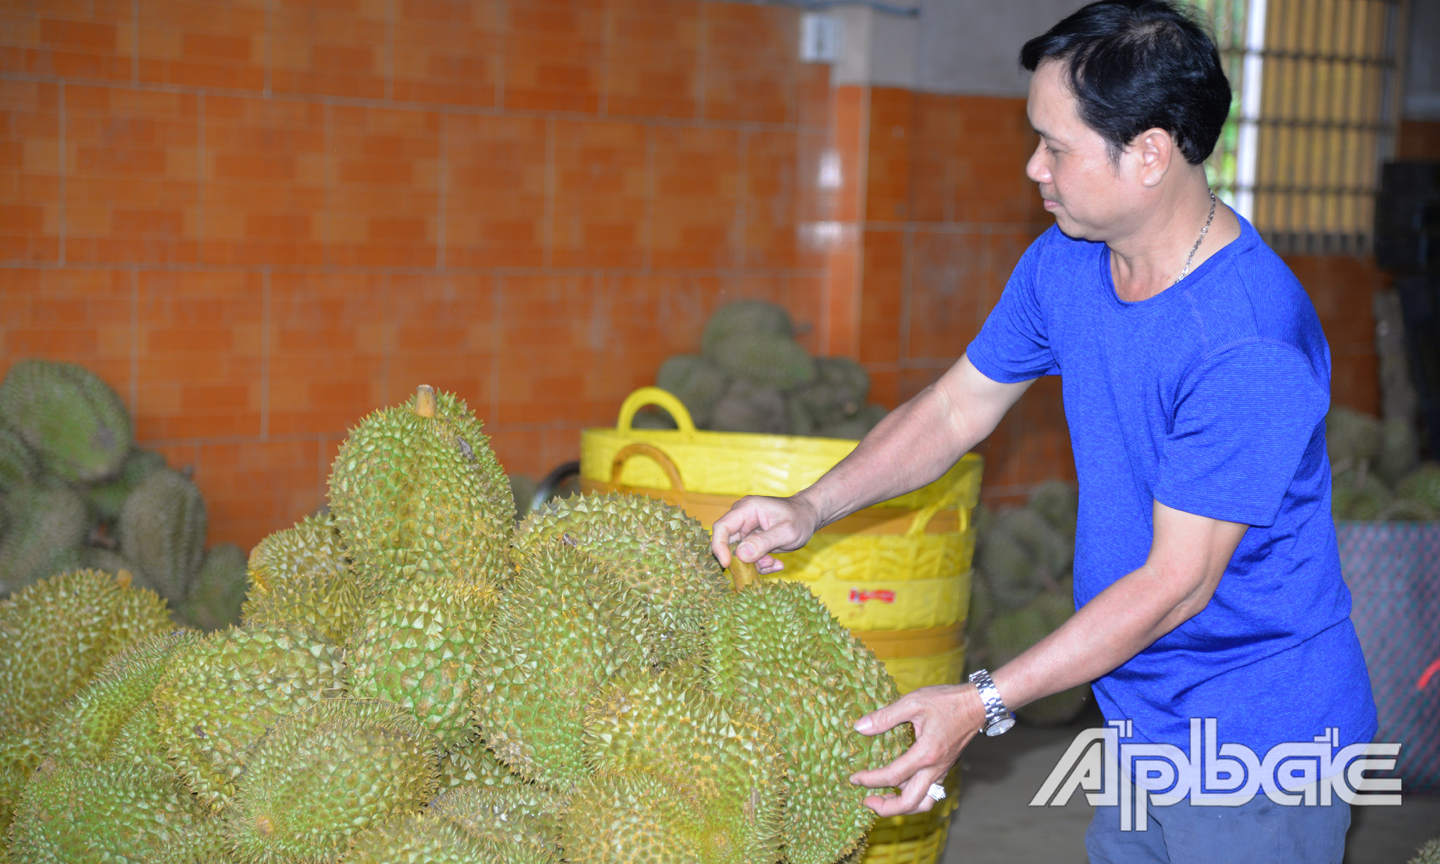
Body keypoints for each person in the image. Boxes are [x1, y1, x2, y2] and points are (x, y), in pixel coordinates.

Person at [710, 2, 1377, 861]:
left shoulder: (1246, 342)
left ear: (1148, 154)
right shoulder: (1068, 259)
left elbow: (1177, 585)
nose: (1033, 168)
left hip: (1259, 738)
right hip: (1140, 707)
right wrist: (811, 507)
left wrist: (983, 702)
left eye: (1056, 147)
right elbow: (957, 408)